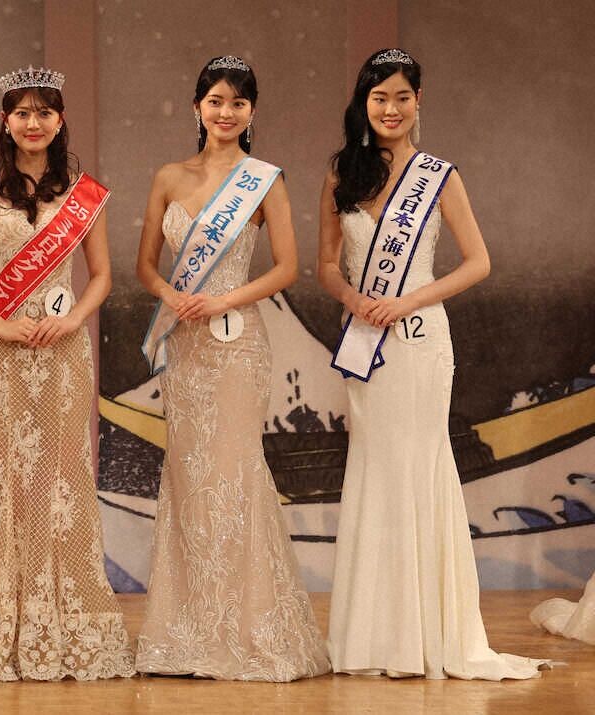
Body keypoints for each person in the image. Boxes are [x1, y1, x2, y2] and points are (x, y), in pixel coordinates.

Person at [318, 48, 547, 680]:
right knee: (375, 470)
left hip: (420, 342)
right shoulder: (342, 174)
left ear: (418, 102)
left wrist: (407, 300)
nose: (390, 109)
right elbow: (327, 266)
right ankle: (374, 637)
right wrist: (355, 300)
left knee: (419, 468)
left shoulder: (438, 177)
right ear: (364, 103)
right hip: (366, 342)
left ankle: (426, 635)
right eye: (379, 97)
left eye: (402, 97)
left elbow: (479, 262)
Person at [133, 56, 329, 681]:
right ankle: (189, 631)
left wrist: (223, 299)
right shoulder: (169, 177)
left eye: (237, 103)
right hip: (186, 346)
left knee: (235, 473)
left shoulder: (264, 181)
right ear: (197, 107)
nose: (225, 112)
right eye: (215, 101)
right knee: (188, 476)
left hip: (238, 342)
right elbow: (144, 266)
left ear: (251, 112)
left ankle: (250, 630)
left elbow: (287, 267)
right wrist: (172, 295)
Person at [0, 66, 134, 681]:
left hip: (64, 352)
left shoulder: (82, 194)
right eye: (21, 112)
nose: (33, 122)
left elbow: (101, 275)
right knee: (7, 478)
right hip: (3, 353)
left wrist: (73, 319)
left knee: (62, 477)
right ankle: (4, 624)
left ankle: (65, 623)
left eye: (43, 112)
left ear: (59, 120)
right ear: (5, 121)